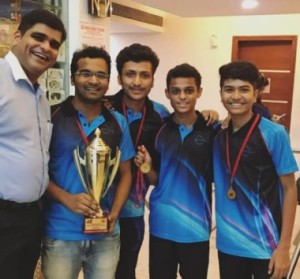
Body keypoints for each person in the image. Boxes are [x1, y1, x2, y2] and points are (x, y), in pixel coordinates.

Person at [107, 43, 219, 279]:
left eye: (144, 75)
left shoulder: (161, 117)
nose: (137, 82)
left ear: (153, 81)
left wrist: (211, 115)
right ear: (119, 78)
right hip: (96, 208)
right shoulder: (102, 109)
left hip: (133, 212)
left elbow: (159, 168)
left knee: (126, 272)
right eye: (130, 74)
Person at [41, 46, 135, 279]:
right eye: (85, 73)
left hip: (106, 234)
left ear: (108, 80)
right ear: (73, 78)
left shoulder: (118, 121)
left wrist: (113, 214)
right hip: (61, 232)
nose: (93, 80)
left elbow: (126, 173)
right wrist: (68, 199)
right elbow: (36, 174)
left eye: (101, 75)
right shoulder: (50, 117)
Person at [214, 60, 298, 279]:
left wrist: (284, 248)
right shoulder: (217, 134)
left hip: (266, 244)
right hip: (229, 244)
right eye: (229, 89)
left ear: (256, 93)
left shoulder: (274, 133)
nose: (235, 96)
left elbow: (290, 190)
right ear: (221, 93)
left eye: (244, 89)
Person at [135, 63, 219, 279]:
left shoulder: (212, 130)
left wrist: (215, 114)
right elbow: (156, 179)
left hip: (197, 227)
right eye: (176, 91)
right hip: (161, 225)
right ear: (167, 94)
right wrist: (145, 165)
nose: (182, 97)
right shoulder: (159, 130)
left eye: (189, 90)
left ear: (199, 92)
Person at [0, 9, 66, 279]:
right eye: (38, 37)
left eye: (54, 44)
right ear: (17, 36)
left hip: (31, 216)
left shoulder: (39, 95)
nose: (45, 47)